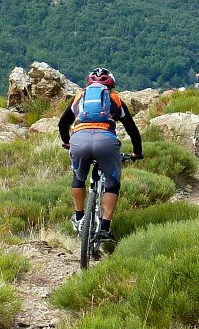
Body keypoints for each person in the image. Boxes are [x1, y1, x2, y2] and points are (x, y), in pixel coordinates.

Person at [59, 67, 142, 242]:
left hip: (79, 140)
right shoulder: (115, 99)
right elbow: (132, 130)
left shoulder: (80, 97)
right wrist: (136, 153)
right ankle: (104, 228)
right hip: (106, 142)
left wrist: (67, 142)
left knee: (78, 177)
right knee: (112, 183)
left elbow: (62, 123)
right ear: (111, 85)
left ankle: (79, 217)